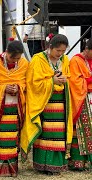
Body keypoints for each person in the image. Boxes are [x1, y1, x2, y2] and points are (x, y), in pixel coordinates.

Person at [21, 34, 73, 175]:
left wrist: (64, 80)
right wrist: (52, 82)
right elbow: (33, 84)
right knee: (45, 134)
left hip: (61, 103)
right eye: (58, 51)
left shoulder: (65, 59)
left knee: (59, 134)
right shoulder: (38, 60)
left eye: (63, 51)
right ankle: (42, 165)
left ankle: (57, 164)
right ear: (50, 48)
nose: (60, 54)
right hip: (44, 104)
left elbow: (68, 76)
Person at [0, 40, 28, 177]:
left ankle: (11, 168)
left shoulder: (24, 64)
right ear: (6, 53)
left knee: (12, 136)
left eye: (18, 58)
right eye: (13, 57)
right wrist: (4, 88)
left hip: (15, 107)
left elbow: (26, 82)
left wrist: (19, 87)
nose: (16, 60)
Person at [68, 38, 92, 170]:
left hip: (90, 99)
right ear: (86, 49)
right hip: (81, 100)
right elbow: (74, 81)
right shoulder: (75, 60)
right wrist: (89, 80)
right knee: (79, 132)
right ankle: (77, 162)